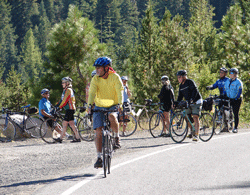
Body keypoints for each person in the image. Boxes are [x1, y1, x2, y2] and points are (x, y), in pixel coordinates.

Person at [88, 56, 123, 168]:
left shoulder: (115, 77)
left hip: (113, 105)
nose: (97, 70)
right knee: (98, 132)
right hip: (99, 106)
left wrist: (120, 104)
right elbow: (92, 93)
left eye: (99, 68)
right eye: (96, 68)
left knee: (112, 117)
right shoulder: (95, 79)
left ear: (107, 68)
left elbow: (119, 91)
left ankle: (116, 137)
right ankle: (99, 157)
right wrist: (89, 105)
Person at [175, 70, 203, 141]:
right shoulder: (181, 86)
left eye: (179, 77)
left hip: (196, 101)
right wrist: (176, 103)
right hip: (188, 102)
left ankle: (196, 135)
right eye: (178, 77)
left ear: (184, 77)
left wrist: (192, 99)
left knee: (195, 117)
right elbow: (180, 96)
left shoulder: (190, 82)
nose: (178, 79)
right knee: (187, 117)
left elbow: (195, 91)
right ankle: (191, 131)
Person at [54, 77, 81, 143]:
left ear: (67, 83)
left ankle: (60, 138)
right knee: (71, 124)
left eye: (63, 82)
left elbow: (65, 100)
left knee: (64, 123)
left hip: (70, 109)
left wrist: (60, 107)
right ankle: (78, 138)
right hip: (69, 109)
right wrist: (57, 105)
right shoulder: (65, 90)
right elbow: (61, 99)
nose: (62, 83)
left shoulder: (69, 90)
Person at [206, 67, 230, 132]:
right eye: (220, 72)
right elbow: (214, 86)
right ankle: (218, 121)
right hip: (221, 97)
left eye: (222, 72)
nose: (220, 73)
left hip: (227, 97)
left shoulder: (228, 80)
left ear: (225, 73)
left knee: (225, 110)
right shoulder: (218, 81)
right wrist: (209, 87)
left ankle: (226, 125)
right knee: (218, 108)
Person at [224, 68, 243, 133]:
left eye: (231, 73)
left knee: (235, 112)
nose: (230, 74)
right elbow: (225, 89)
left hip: (237, 99)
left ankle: (235, 127)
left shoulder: (238, 82)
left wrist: (235, 98)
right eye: (230, 73)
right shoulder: (228, 81)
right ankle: (227, 126)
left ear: (235, 74)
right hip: (229, 98)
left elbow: (239, 91)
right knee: (227, 111)